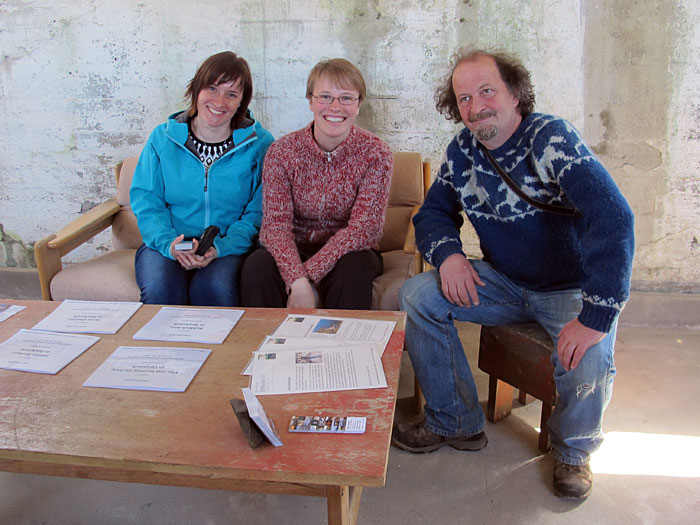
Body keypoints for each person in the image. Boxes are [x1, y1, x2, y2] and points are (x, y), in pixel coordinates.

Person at [393, 49, 635, 499]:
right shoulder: (462, 150)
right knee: (418, 296)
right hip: (504, 282)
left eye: (487, 91)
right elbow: (432, 215)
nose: (475, 105)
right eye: (464, 97)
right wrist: (448, 256)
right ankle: (455, 421)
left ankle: (573, 451)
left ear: (515, 93)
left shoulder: (550, 138)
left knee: (592, 356)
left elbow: (613, 217)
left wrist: (597, 315)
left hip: (568, 288)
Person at [240, 58, 393, 309]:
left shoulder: (376, 153)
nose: (335, 107)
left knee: (353, 270)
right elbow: (275, 228)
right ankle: (265, 344)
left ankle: (341, 347)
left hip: (351, 252)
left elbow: (365, 229)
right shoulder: (282, 152)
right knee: (257, 267)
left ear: (358, 104)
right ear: (311, 101)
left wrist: (307, 275)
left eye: (346, 97)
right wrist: (297, 280)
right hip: (294, 248)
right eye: (325, 97)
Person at [130, 51, 273, 306]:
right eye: (212, 88)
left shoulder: (261, 145)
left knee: (215, 289)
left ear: (242, 101)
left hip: (226, 247)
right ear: (196, 89)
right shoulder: (162, 139)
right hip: (169, 242)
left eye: (232, 94)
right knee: (160, 288)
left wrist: (221, 247)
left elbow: (258, 211)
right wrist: (168, 244)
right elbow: (147, 200)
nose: (220, 101)